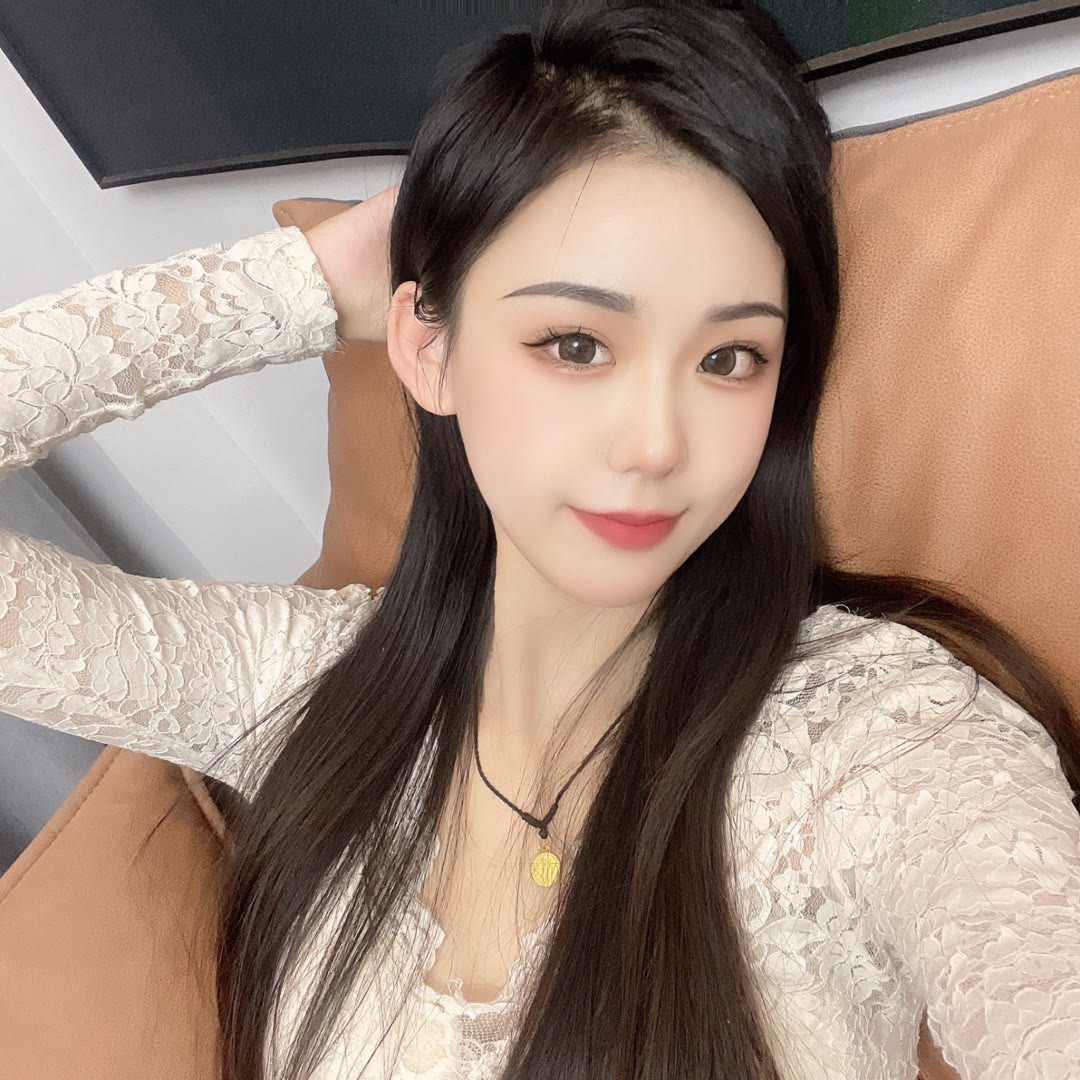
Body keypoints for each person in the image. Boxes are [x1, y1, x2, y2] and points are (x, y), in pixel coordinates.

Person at [1, 2, 1078, 1078]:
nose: (657, 445)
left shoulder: (884, 744)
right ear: (428, 351)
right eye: (575, 343)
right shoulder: (305, 690)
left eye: (729, 359)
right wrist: (298, 288)